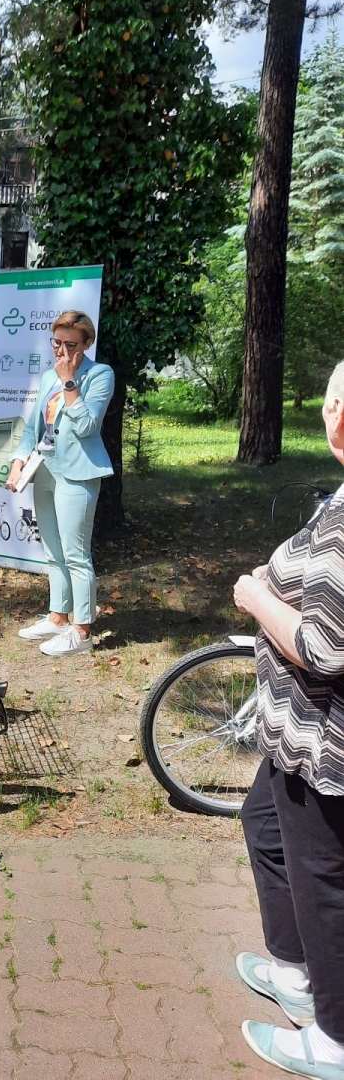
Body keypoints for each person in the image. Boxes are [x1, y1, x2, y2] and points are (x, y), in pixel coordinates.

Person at [231, 361, 344, 1080]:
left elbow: (326, 648)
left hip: (323, 743)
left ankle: (332, 1039)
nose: (331, 417)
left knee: (323, 881)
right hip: (291, 734)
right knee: (263, 824)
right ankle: (296, 969)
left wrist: (256, 598)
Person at [5, 310, 114, 658]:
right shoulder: (48, 375)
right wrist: (18, 462)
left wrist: (70, 382)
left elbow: (86, 427)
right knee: (53, 553)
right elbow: (32, 429)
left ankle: (81, 632)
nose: (62, 351)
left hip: (78, 475)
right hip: (45, 471)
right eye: (56, 343)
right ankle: (57, 617)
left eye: (70, 344)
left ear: (86, 344)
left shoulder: (99, 375)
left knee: (76, 555)